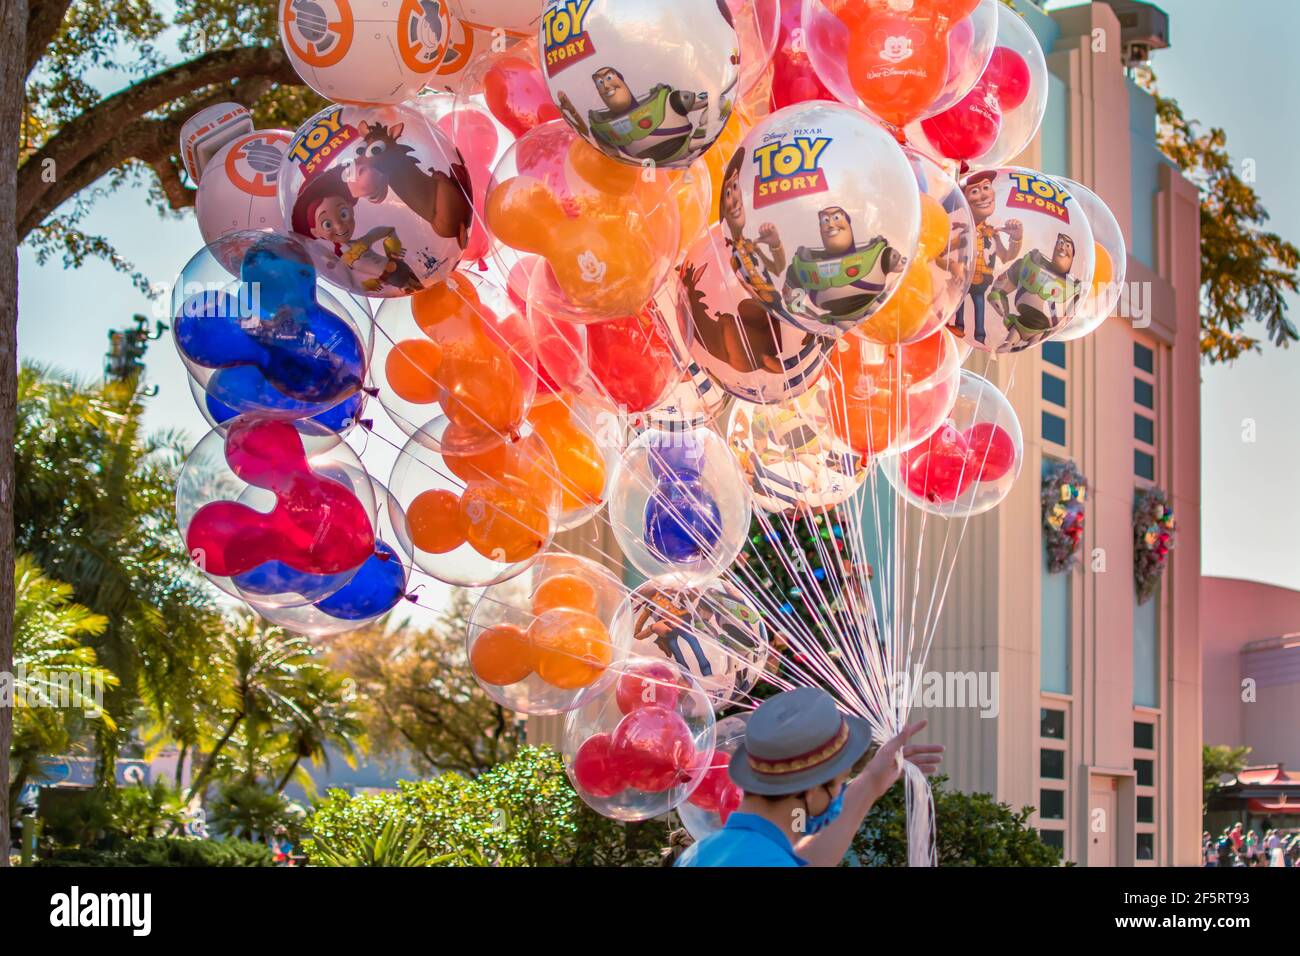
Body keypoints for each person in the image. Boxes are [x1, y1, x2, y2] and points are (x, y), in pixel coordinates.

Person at [675, 686, 943, 867]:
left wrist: (872, 782)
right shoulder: (771, 860)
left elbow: (809, 857)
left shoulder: (697, 855)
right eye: (839, 785)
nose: (839, 797)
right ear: (811, 791)